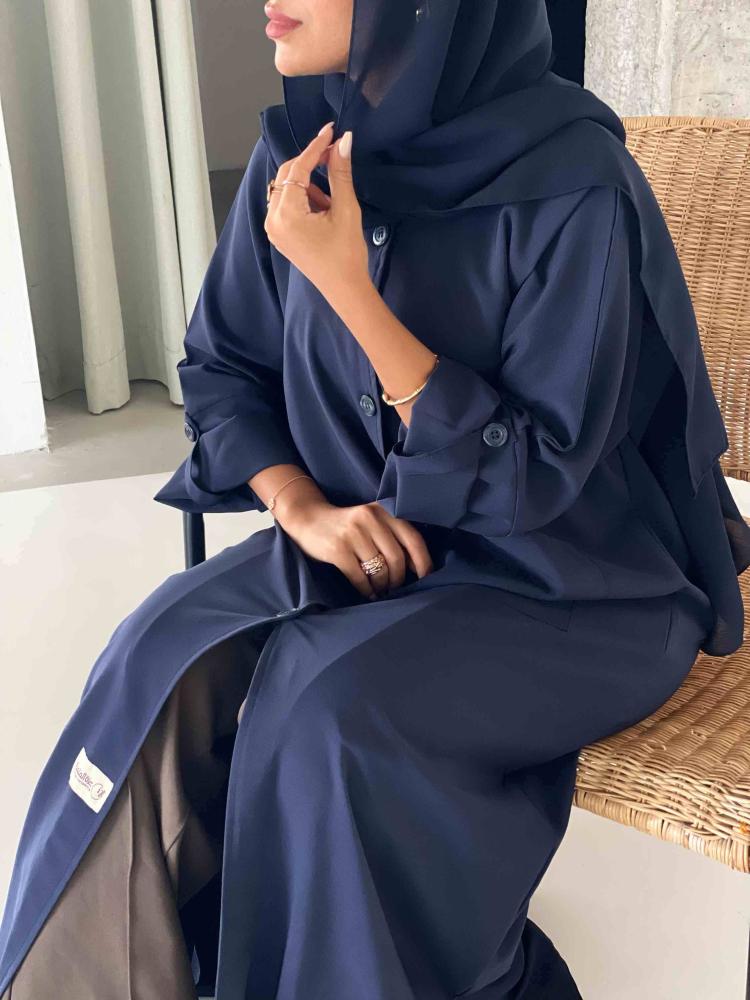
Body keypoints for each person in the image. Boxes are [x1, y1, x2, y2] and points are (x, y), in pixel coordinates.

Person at [2, 1, 749, 997]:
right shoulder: (299, 157)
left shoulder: (575, 184)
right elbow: (223, 369)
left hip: (577, 581)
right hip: (373, 541)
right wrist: (300, 507)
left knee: (325, 715)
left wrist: (348, 287)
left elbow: (536, 474)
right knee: (156, 661)